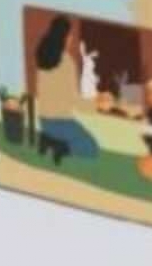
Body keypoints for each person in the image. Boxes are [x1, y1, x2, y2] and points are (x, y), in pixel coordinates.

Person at [31, 15, 103, 164]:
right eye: (69, 35)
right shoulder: (67, 63)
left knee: (76, 135)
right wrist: (97, 104)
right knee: (92, 149)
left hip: (44, 120)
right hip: (61, 122)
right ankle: (59, 147)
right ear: (63, 37)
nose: (71, 39)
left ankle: (48, 139)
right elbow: (73, 101)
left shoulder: (43, 56)